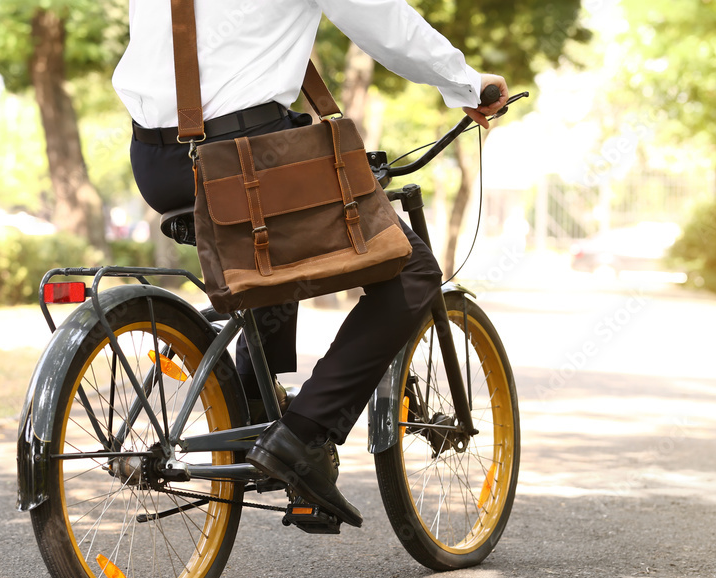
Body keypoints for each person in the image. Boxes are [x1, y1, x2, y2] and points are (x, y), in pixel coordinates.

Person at [112, 0, 509, 528]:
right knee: (412, 271)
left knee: (279, 237)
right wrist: (464, 82)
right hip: (243, 152)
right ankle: (303, 436)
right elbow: (382, 19)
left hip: (158, 160)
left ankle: (255, 400)